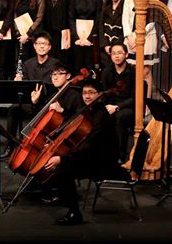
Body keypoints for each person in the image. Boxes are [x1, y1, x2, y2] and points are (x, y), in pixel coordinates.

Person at [42, 77, 122, 225]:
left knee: (62, 170)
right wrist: (54, 143)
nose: (87, 96)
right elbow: (75, 134)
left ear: (99, 94)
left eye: (91, 92)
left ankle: (74, 213)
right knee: (59, 167)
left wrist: (62, 158)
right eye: (85, 92)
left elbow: (90, 145)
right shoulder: (87, 110)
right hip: (92, 155)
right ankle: (66, 198)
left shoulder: (102, 114)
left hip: (103, 160)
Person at [7, 33, 60, 141]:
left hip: (46, 103)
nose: (41, 46)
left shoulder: (56, 64)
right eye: (39, 43)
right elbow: (24, 86)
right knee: (14, 109)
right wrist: (19, 82)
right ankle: (11, 143)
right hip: (30, 102)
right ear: (34, 46)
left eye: (45, 44)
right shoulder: (27, 64)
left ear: (49, 47)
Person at [122, 0, 159, 97]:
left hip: (147, 38)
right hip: (130, 38)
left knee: (145, 72)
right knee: (132, 70)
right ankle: (134, 101)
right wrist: (129, 37)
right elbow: (125, 18)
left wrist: (139, 35)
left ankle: (147, 103)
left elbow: (152, 21)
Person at [100, 43, 136, 164]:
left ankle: (121, 155)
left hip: (127, 106)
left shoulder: (133, 72)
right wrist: (107, 107)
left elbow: (135, 98)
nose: (116, 56)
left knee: (120, 117)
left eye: (120, 53)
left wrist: (117, 107)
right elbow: (105, 94)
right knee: (99, 116)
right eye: (113, 53)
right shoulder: (107, 71)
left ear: (126, 54)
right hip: (111, 105)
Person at [70, 0, 103, 72]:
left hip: (92, 39)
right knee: (77, 66)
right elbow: (71, 18)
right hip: (77, 39)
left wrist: (89, 39)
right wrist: (76, 38)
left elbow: (98, 19)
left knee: (90, 67)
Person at [42, 0, 71, 65]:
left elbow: (69, 17)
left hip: (62, 34)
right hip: (47, 34)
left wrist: (67, 35)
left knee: (61, 61)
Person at [99, 0, 125, 67]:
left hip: (119, 47)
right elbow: (100, 27)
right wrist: (105, 45)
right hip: (105, 48)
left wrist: (114, 47)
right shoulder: (105, 7)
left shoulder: (125, 8)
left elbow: (125, 30)